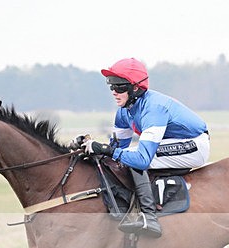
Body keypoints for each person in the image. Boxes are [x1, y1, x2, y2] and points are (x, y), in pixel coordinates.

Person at [75, 57, 210, 238]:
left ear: (136, 88)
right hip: (169, 144)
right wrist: (90, 147)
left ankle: (149, 217)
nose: (114, 92)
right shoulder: (124, 111)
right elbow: (116, 149)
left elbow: (142, 159)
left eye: (120, 86)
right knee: (123, 156)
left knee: (133, 156)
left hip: (194, 145)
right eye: (111, 86)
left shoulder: (154, 108)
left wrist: (107, 150)